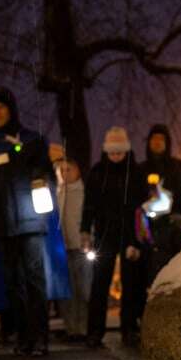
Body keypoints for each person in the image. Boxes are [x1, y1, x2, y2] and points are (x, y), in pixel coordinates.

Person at [0, 88, 57, 356]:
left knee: (34, 279)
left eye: (1, 108)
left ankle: (41, 336)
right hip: (2, 223)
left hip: (30, 220)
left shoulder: (32, 140)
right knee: (12, 281)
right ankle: (23, 336)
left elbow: (47, 176)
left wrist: (37, 176)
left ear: (11, 109)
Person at [82, 127, 148, 348]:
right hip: (104, 234)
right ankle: (94, 331)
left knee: (131, 284)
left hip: (129, 234)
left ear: (127, 151)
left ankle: (129, 328)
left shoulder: (136, 173)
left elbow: (141, 209)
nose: (116, 156)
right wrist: (85, 231)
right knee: (100, 283)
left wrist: (137, 241)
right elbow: (89, 205)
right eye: (112, 152)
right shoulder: (97, 172)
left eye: (120, 152)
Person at [56, 157, 89, 342]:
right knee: (67, 290)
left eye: (68, 169)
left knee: (83, 289)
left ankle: (83, 327)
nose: (64, 173)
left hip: (80, 246)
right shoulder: (58, 193)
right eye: (61, 170)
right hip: (64, 247)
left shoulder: (83, 192)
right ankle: (71, 328)